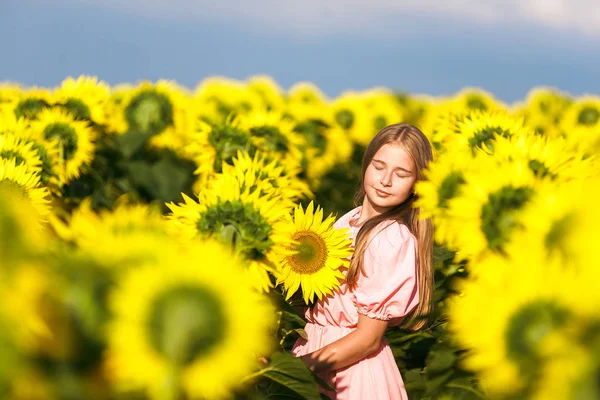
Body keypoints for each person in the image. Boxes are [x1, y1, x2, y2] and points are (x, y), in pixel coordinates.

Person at [292, 123, 434, 399]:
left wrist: (296, 371)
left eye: (401, 173)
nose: (386, 180)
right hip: (315, 352)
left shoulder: (392, 239)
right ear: (366, 165)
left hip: (350, 372)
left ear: (417, 185)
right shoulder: (347, 221)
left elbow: (367, 339)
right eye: (379, 166)